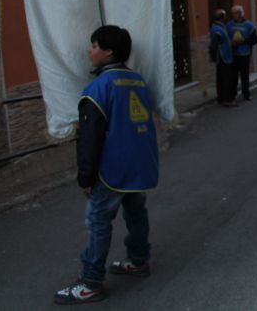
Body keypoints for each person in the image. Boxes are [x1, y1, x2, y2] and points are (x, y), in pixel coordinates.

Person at [55, 25, 159, 305]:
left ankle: (90, 283)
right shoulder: (137, 80)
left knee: (98, 220)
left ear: (109, 51)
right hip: (140, 165)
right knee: (136, 213)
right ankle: (138, 260)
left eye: (94, 46)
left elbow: (89, 138)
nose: (89, 51)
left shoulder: (98, 87)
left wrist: (85, 177)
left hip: (113, 169)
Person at [226, 5, 257, 101]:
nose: (233, 15)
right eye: (232, 13)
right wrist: (230, 42)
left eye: (234, 13)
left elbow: (254, 40)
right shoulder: (229, 25)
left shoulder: (249, 25)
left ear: (240, 13)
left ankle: (246, 93)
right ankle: (233, 94)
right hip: (233, 54)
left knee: (244, 75)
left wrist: (243, 41)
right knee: (233, 75)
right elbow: (225, 38)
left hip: (244, 54)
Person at [209, 9, 237, 106]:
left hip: (224, 56)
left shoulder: (219, 27)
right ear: (222, 17)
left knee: (221, 78)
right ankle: (227, 99)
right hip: (223, 56)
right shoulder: (218, 29)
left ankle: (221, 98)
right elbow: (214, 45)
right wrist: (213, 56)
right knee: (226, 78)